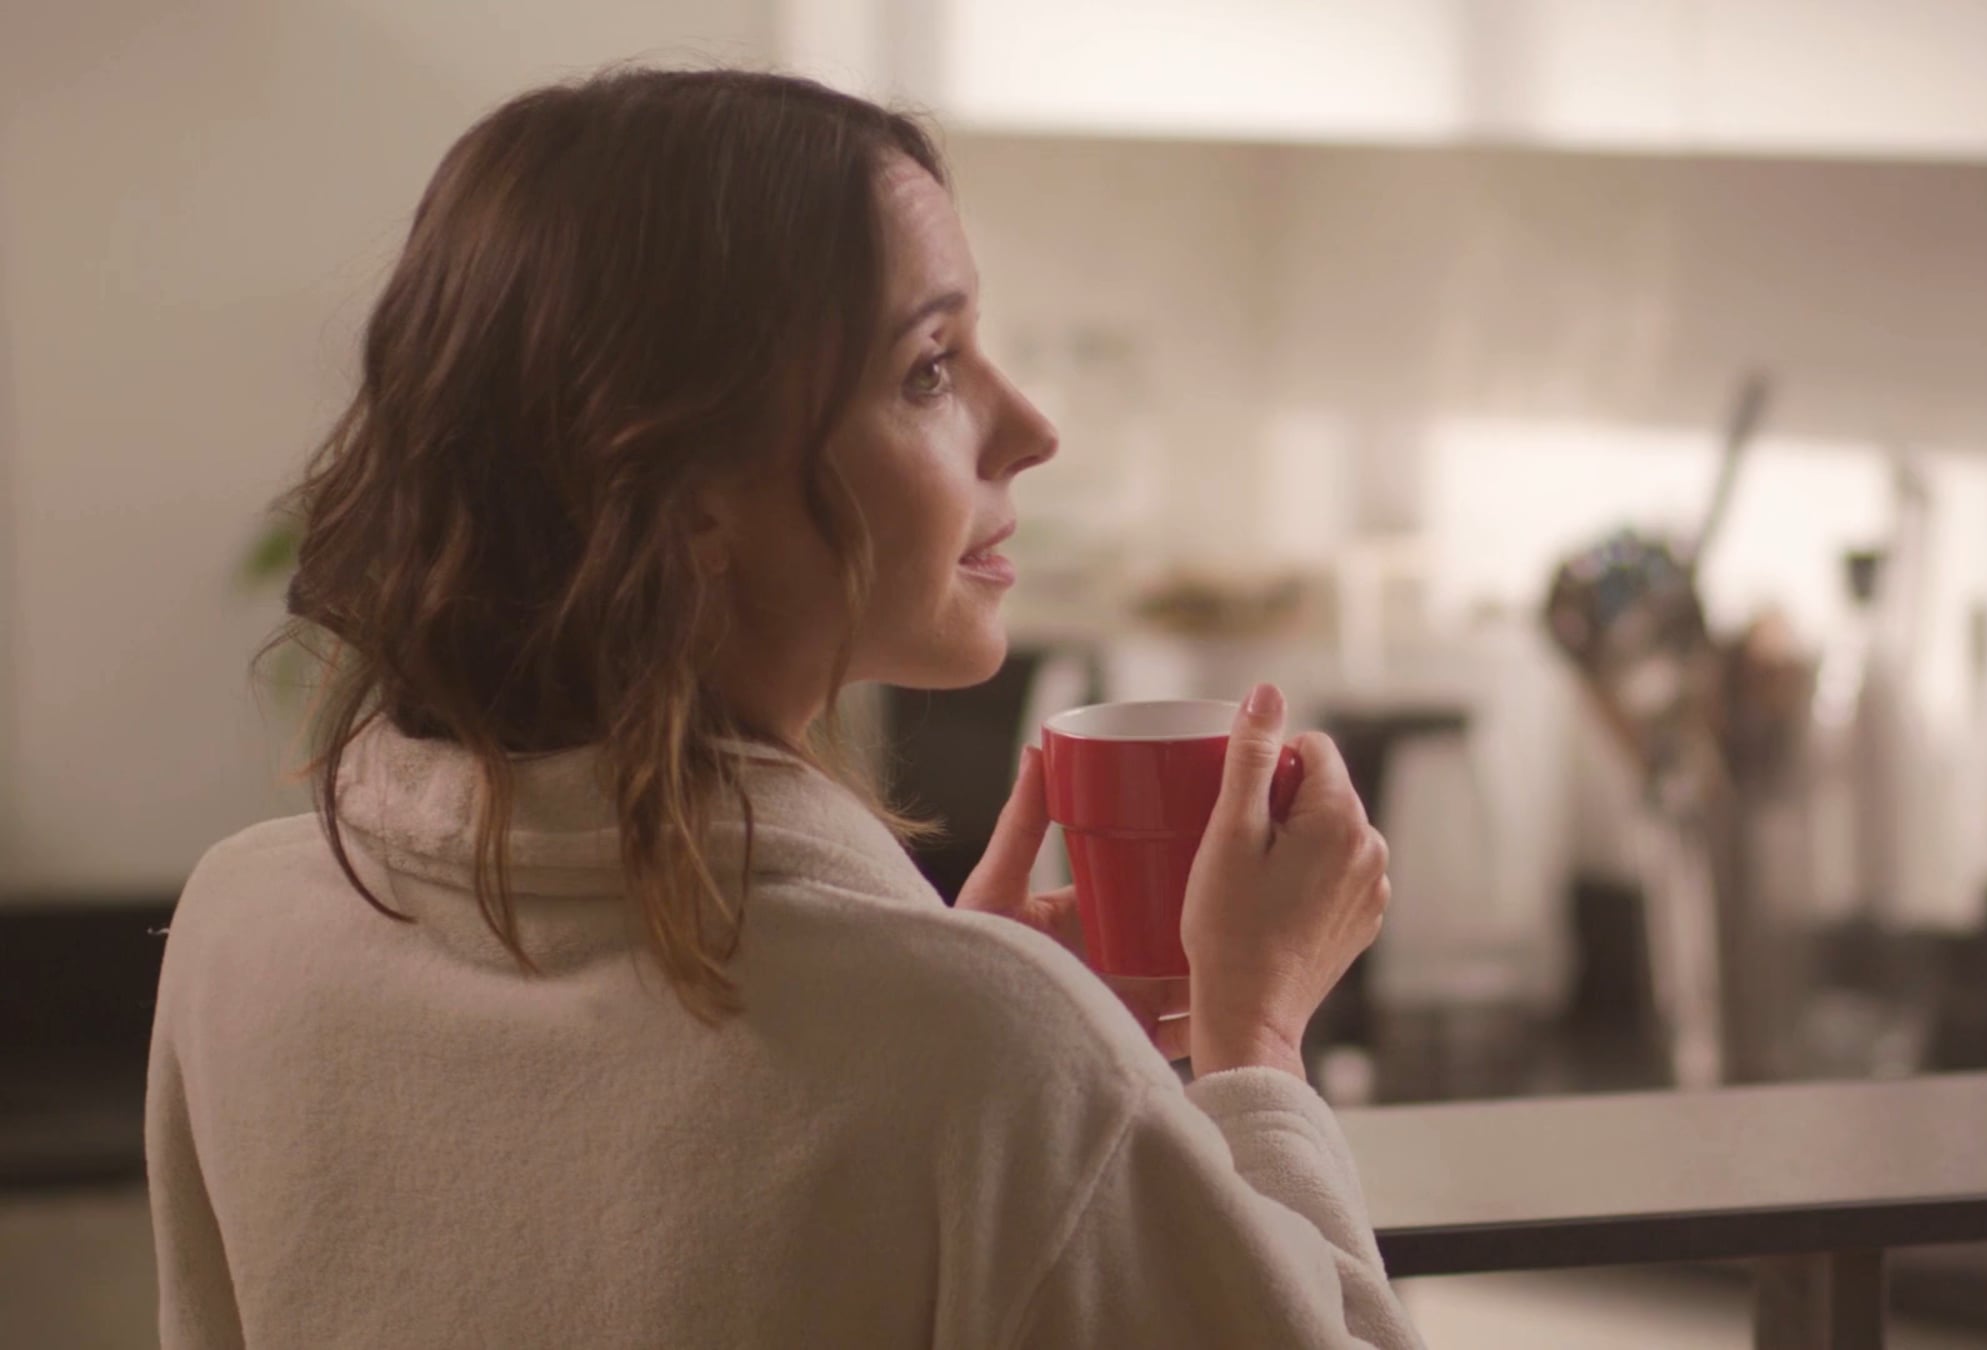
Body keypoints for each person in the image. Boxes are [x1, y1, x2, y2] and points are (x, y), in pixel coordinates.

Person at [143, 66, 1420, 1349]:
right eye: (929, 370)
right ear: (687, 494)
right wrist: (1253, 1045)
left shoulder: (237, 930)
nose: (1031, 429)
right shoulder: (980, 1053)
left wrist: (965, 1012)